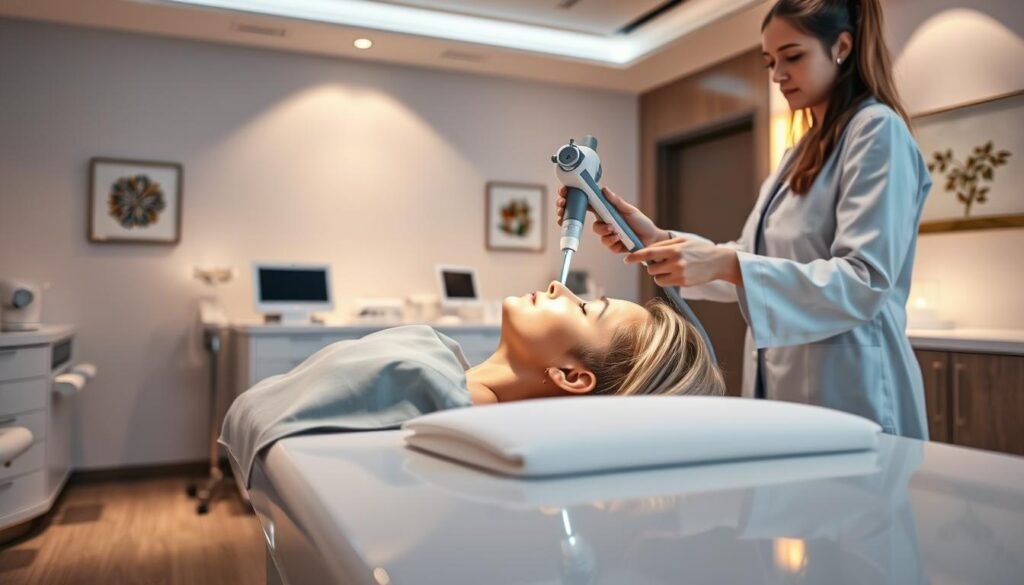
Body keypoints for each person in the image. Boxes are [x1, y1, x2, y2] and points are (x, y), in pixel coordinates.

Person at [557, 0, 932, 438]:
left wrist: (725, 264)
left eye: (792, 57)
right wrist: (656, 240)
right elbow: (751, 257)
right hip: (785, 386)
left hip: (854, 388)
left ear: (842, 47)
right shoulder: (800, 152)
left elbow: (864, 281)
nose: (777, 76)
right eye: (770, 62)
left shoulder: (876, 131)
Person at [221, 281, 724, 485]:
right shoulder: (440, 365)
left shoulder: (438, 395)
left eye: (585, 307)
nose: (559, 287)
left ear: (572, 376)